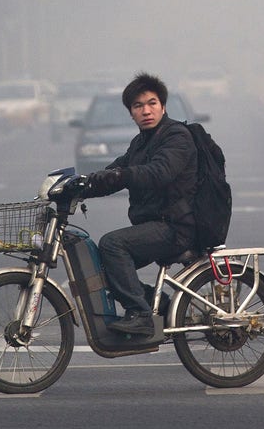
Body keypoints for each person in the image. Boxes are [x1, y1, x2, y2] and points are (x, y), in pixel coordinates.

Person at [80, 73, 197, 336]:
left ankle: (142, 315)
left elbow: (159, 172)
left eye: (152, 103)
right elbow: (117, 171)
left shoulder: (177, 136)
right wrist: (80, 185)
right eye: (138, 106)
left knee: (113, 244)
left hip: (176, 227)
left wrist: (121, 175)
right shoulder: (141, 142)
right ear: (131, 113)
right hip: (155, 225)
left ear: (163, 106)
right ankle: (160, 305)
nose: (146, 110)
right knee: (99, 267)